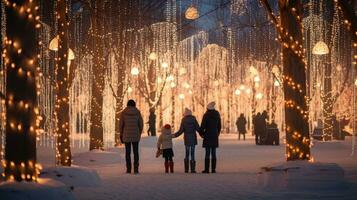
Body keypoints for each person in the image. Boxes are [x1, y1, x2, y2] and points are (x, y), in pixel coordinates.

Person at [119, 99, 144, 174]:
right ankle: (136, 168)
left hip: (126, 135)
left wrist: (121, 133)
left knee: (127, 152)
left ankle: (128, 169)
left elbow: (121, 124)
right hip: (135, 135)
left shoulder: (123, 113)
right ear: (134, 104)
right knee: (136, 152)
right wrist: (139, 132)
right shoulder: (137, 112)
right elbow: (141, 124)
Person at [174, 108, 200, 173]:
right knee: (193, 154)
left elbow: (181, 131)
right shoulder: (194, 120)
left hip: (187, 139)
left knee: (187, 153)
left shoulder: (184, 120)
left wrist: (174, 135)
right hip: (193, 139)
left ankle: (186, 169)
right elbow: (198, 129)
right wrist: (203, 134)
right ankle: (193, 169)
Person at [200, 102, 221, 173]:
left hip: (207, 134)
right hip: (214, 134)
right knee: (213, 152)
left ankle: (206, 169)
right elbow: (219, 125)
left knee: (207, 152)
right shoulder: (217, 114)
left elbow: (202, 126)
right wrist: (217, 133)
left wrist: (201, 134)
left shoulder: (206, 115)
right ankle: (213, 169)